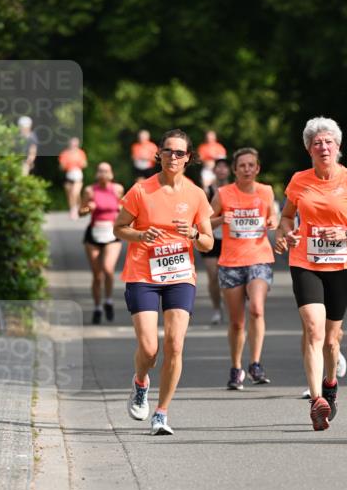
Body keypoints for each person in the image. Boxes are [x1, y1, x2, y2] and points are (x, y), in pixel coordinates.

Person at [275, 116, 347, 431]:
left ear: (338, 147)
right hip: (305, 262)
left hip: (341, 265)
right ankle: (316, 400)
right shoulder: (299, 180)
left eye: (329, 142)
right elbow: (286, 216)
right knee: (313, 330)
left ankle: (331, 383)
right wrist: (287, 234)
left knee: (332, 341)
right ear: (309, 149)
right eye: (317, 143)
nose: (323, 147)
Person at [114, 129, 213, 436]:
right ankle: (141, 382)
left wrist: (194, 234)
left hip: (180, 275)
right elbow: (119, 228)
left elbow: (208, 243)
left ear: (189, 158)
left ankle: (161, 412)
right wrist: (141, 235)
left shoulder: (196, 194)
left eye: (180, 152)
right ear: (158, 154)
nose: (173, 157)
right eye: (168, 151)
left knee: (175, 344)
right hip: (143, 273)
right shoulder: (141, 190)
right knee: (149, 347)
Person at [211, 147, 277, 389]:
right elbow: (204, 221)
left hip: (259, 257)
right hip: (231, 261)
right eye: (242, 166)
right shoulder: (223, 194)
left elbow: (275, 218)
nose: (247, 169)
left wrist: (272, 222)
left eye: (251, 165)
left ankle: (256, 364)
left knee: (257, 310)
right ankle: (236, 367)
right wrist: (220, 219)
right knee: (237, 321)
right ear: (235, 170)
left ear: (257, 168)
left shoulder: (266, 192)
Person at [80, 162, 124, 324]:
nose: (103, 173)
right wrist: (88, 208)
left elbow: (125, 208)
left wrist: (121, 208)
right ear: (96, 174)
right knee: (97, 275)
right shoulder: (89, 190)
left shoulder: (117, 189)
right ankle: (98, 307)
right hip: (94, 233)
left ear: (111, 174)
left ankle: (109, 300)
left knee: (108, 269)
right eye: (100, 171)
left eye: (106, 170)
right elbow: (80, 211)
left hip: (112, 233)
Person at [200, 156, 231, 324]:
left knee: (228, 276)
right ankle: (217, 310)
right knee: (213, 276)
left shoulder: (236, 190)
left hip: (231, 239)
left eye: (225, 167)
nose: (221, 170)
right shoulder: (207, 191)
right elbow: (201, 215)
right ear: (214, 171)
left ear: (230, 170)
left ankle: (231, 306)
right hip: (211, 237)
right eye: (218, 167)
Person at [58, 137, 88, 218]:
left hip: (77, 175)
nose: (74, 145)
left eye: (75, 144)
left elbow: (84, 164)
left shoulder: (80, 153)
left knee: (75, 193)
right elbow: (61, 167)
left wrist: (77, 163)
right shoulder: (65, 154)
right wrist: (66, 165)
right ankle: (73, 209)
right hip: (69, 175)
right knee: (70, 195)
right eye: (72, 144)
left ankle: (76, 210)